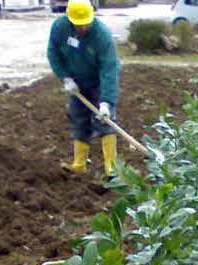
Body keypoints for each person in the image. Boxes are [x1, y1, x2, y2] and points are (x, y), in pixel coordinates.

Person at [47, 0, 121, 179]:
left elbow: (109, 69)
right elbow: (53, 53)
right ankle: (79, 165)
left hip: (98, 82)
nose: (82, 28)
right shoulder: (59, 27)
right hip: (76, 84)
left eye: (85, 24)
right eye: (78, 25)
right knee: (79, 121)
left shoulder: (101, 36)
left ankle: (112, 170)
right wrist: (65, 77)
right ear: (69, 19)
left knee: (105, 122)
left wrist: (106, 102)